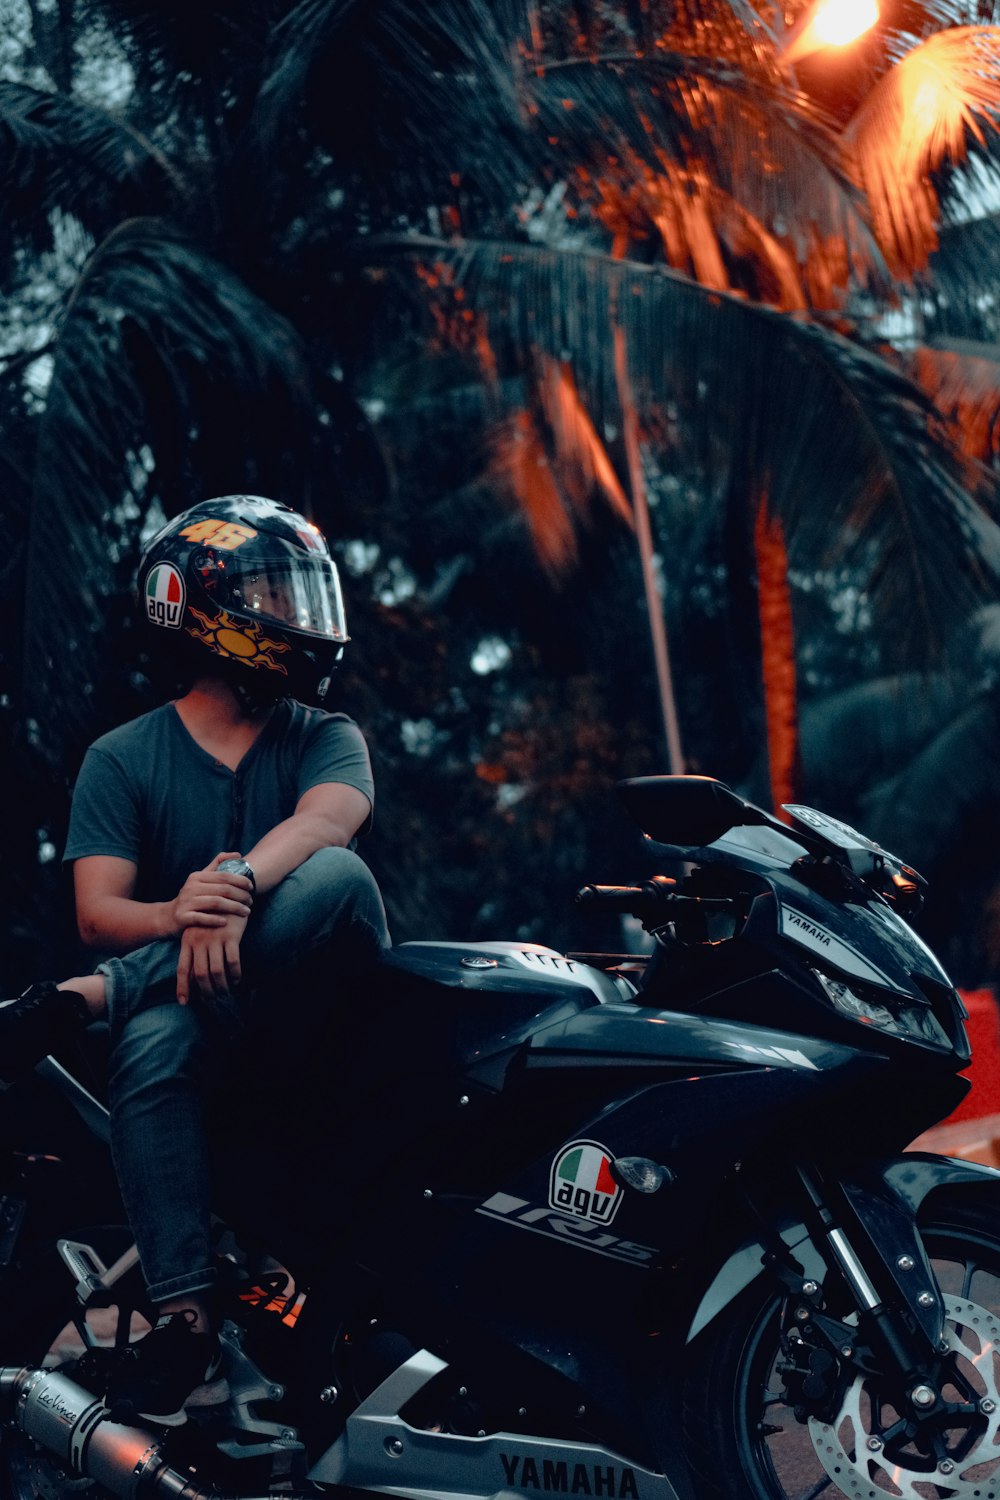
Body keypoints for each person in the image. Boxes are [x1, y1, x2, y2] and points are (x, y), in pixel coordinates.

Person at [0, 495, 389, 1426]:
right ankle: (183, 1324)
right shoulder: (121, 757)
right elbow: (99, 910)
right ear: (197, 605)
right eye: (273, 595)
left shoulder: (324, 734)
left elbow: (329, 823)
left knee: (332, 873)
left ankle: (84, 1002)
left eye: (303, 595)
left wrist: (235, 883)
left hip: (326, 996)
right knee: (153, 1042)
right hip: (205, 1016)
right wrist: (183, 909)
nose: (297, 618)